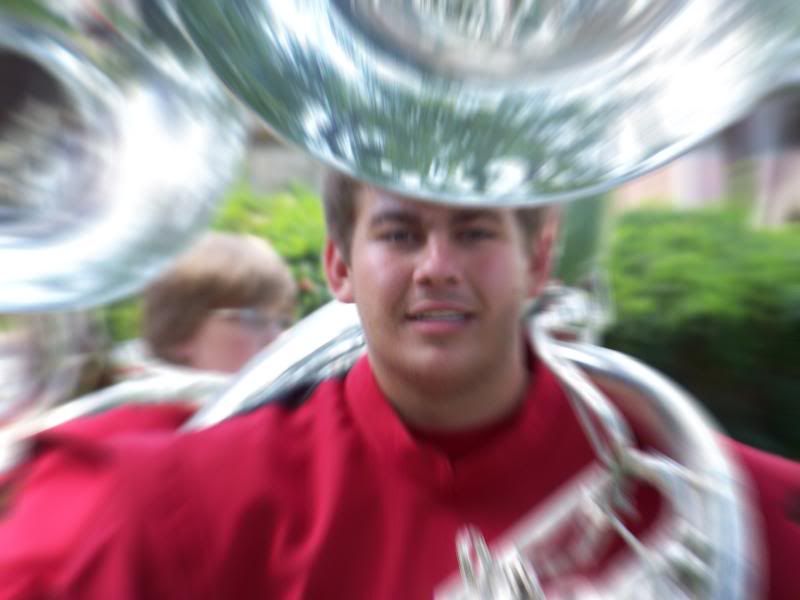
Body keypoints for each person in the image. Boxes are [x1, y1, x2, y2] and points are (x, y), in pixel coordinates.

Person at [0, 170, 798, 599]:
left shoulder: (723, 502)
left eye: (475, 230)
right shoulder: (183, 506)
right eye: (400, 232)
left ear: (539, 260)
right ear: (339, 267)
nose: (437, 266)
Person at [114, 231, 298, 378]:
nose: (276, 338)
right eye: (253, 319)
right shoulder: (144, 413)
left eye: (282, 322)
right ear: (179, 331)